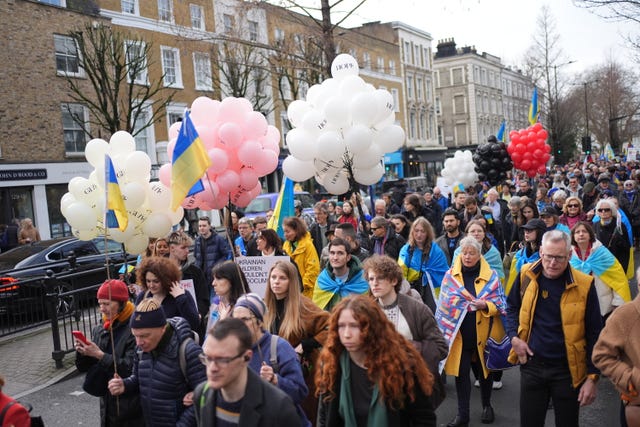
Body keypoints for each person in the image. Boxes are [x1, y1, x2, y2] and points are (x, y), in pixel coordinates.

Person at [506, 230, 603, 427]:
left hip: (567, 371)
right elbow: (511, 307)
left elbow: (595, 333)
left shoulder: (584, 285)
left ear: (569, 255)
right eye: (548, 256)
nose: (552, 263)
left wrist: (592, 378)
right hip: (532, 366)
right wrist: (514, 338)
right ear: (541, 252)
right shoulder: (526, 273)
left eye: (559, 257)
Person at [315, 295, 437, 426]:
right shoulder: (332, 364)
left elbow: (424, 419)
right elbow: (324, 415)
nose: (346, 334)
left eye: (354, 326)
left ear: (371, 328)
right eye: (341, 326)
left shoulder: (401, 366)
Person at [435, 237, 506, 426]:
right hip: (459, 334)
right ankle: (462, 415)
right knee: (461, 374)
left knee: (484, 372)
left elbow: (501, 303)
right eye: (464, 252)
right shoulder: (450, 276)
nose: (467, 256)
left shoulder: (491, 276)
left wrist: (485, 305)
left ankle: (487, 405)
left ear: (479, 255)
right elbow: (443, 305)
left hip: (483, 333)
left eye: (472, 253)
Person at [363, 254, 448, 405]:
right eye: (371, 279)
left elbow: (441, 347)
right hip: (377, 387)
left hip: (412, 386)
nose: (374, 283)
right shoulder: (366, 312)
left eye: (380, 278)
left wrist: (409, 348)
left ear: (394, 280)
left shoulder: (417, 309)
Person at [107, 299, 207, 427]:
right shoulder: (140, 350)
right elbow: (138, 378)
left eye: (144, 336)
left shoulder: (188, 351)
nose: (138, 342)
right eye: (135, 336)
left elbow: (205, 396)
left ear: (163, 328)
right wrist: (124, 385)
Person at [193, 318, 301, 425]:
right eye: (207, 358)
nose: (212, 368)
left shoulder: (278, 408)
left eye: (222, 360)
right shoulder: (202, 394)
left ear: (246, 358)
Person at [264, 260, 330, 425]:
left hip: (302, 374)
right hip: (272, 374)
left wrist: (305, 345)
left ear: (291, 281)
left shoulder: (303, 305)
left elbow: (331, 327)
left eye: (282, 278)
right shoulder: (265, 306)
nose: (276, 282)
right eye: (273, 277)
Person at [231, 293, 310, 426]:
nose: (239, 325)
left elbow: (300, 392)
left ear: (260, 321)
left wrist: (275, 380)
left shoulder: (279, 347)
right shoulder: (231, 351)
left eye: (245, 319)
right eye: (235, 320)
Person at [75, 279, 143, 426]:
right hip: (107, 402)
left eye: (106, 304)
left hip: (130, 406)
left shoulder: (134, 329)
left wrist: (99, 354)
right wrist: (83, 352)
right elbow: (85, 368)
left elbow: (130, 368)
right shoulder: (101, 328)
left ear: (121, 303)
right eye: (100, 303)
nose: (102, 309)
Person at [592, 267, 640, 427]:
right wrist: (630, 379)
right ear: (639, 286)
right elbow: (601, 355)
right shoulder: (625, 315)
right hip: (636, 403)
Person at [569, 221, 630, 319]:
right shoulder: (568, 255)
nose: (581, 234)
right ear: (573, 236)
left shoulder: (602, 253)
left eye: (584, 231)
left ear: (590, 235)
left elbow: (618, 279)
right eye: (577, 232)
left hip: (603, 307)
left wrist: (617, 303)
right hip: (577, 306)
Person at [135, 256, 200, 333]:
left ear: (166, 280)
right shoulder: (143, 296)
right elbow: (135, 322)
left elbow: (194, 324)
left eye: (156, 281)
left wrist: (181, 299)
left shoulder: (181, 295)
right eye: (148, 281)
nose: (151, 285)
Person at [398, 217, 449, 311]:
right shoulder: (406, 250)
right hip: (411, 290)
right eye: (416, 231)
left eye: (423, 231)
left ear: (428, 233)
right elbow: (401, 272)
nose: (419, 235)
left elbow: (444, 273)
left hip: (431, 291)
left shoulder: (436, 251)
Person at [168, 231, 210, 335]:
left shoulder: (195, 271)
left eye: (188, 247)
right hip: (169, 325)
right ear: (172, 248)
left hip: (192, 325)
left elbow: (203, 298)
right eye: (183, 248)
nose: (187, 251)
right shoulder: (160, 271)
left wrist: (199, 313)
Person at [313, 237, 369, 311]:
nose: (335, 257)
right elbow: (316, 310)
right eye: (332, 253)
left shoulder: (361, 278)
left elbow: (367, 309)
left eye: (340, 253)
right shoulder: (323, 279)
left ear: (348, 257)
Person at [206, 261, 251, 334]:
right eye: (214, 279)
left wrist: (224, 322)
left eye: (219, 278)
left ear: (232, 280)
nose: (213, 283)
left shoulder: (245, 306)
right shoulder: (216, 304)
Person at [505, 218, 546, 296]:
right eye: (525, 230)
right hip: (520, 291)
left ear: (540, 232)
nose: (526, 233)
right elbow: (513, 278)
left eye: (530, 230)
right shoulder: (520, 253)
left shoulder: (546, 255)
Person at [282, 216, 320, 298]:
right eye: (284, 232)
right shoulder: (286, 245)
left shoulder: (308, 245)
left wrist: (301, 286)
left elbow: (313, 269)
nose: (285, 235)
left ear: (296, 231)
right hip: (290, 291)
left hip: (305, 293)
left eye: (288, 232)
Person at [593, 198, 631, 274]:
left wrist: (623, 269)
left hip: (616, 264)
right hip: (600, 265)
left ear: (612, 211)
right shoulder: (595, 225)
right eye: (600, 210)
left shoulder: (620, 225)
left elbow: (625, 249)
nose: (603, 212)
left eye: (606, 210)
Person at [194, 216, 232, 286]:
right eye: (200, 226)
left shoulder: (218, 239)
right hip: (201, 277)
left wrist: (216, 266)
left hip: (214, 275)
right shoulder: (197, 240)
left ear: (209, 226)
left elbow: (226, 254)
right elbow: (196, 256)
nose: (201, 228)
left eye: (204, 226)